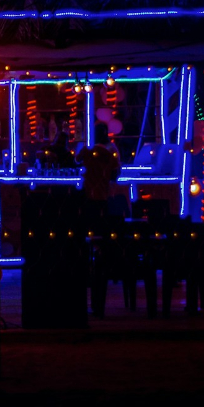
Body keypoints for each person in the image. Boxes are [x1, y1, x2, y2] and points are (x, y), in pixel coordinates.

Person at [76, 122, 123, 317]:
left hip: (91, 199)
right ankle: (106, 270)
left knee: (89, 238)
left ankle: (90, 272)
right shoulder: (111, 150)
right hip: (105, 199)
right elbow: (116, 174)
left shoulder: (89, 150)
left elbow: (77, 162)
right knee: (102, 239)